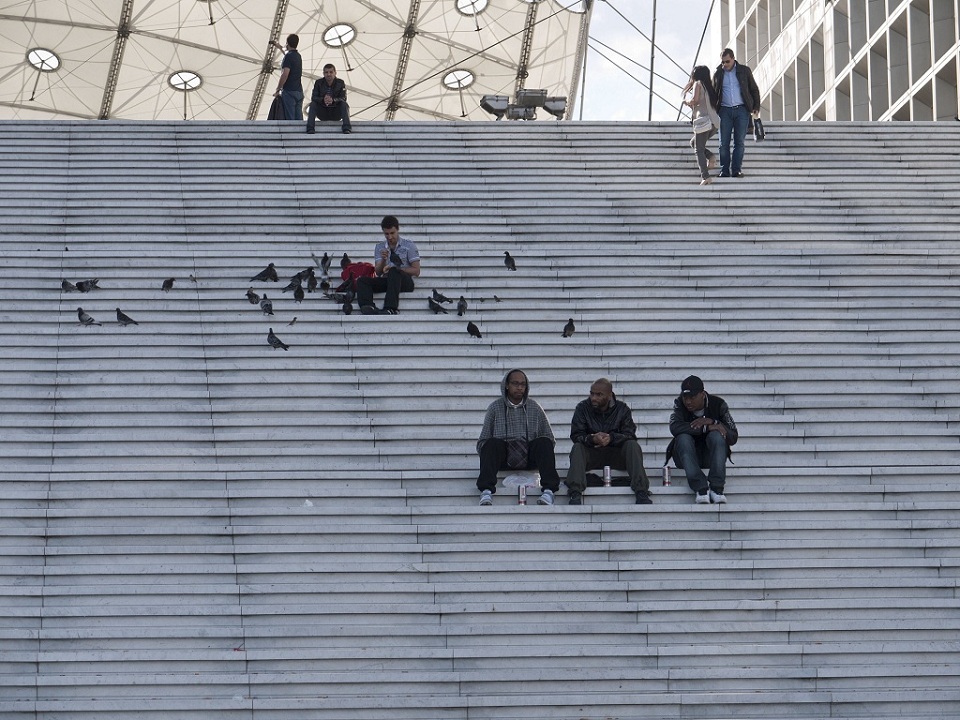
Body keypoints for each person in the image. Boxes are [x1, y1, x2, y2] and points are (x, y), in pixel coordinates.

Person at [476, 369, 561, 507]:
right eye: (515, 383)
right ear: (507, 385)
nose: (519, 387)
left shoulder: (535, 407)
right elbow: (482, 442)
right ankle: (486, 491)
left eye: (523, 384)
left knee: (544, 441)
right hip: (503, 457)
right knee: (490, 443)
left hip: (528, 456)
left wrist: (526, 449)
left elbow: (550, 439)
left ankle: (549, 491)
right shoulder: (494, 408)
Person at [567, 378, 652, 506]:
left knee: (632, 445)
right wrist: (592, 438)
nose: (594, 398)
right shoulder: (582, 408)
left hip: (616, 454)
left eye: (599, 394)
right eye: (592, 393)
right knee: (577, 448)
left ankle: (641, 490)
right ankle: (575, 492)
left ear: (609, 395)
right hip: (593, 453)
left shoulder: (622, 409)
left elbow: (630, 435)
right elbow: (576, 435)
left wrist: (611, 438)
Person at [666, 375, 738, 504]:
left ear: (702, 394)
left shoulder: (718, 404)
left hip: (711, 457)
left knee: (717, 435)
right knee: (682, 438)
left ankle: (717, 488)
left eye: (692, 397)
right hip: (686, 457)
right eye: (685, 397)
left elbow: (733, 436)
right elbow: (675, 427)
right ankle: (701, 488)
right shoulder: (679, 404)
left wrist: (714, 422)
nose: (688, 402)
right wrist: (706, 428)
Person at [712, 48, 761, 179]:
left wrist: (756, 106)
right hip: (724, 110)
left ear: (733, 59)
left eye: (727, 62)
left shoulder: (744, 71)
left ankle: (736, 170)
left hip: (742, 110)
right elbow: (713, 94)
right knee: (724, 143)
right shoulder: (718, 74)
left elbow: (754, 89)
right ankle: (724, 170)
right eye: (722, 62)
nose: (725, 65)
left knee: (739, 142)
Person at [357, 216, 420, 315]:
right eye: (386, 234)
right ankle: (368, 307)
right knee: (362, 281)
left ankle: (390, 308)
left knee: (394, 271)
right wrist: (383, 260)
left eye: (392, 233)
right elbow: (378, 272)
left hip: (404, 281)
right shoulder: (379, 247)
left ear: (397, 229)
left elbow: (416, 271)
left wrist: (397, 269)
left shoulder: (409, 245)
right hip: (388, 280)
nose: (390, 237)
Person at [683, 66, 721, 186]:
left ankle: (706, 176)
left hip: (703, 122)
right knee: (694, 142)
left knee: (698, 149)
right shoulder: (708, 86)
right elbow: (701, 104)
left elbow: (694, 100)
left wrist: (687, 101)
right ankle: (711, 157)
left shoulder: (698, 84)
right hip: (714, 123)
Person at [306, 63, 352, 134]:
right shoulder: (318, 83)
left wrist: (333, 100)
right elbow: (314, 97)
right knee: (313, 104)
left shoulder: (340, 83)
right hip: (323, 111)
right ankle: (310, 128)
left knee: (344, 104)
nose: (329, 74)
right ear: (323, 73)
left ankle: (347, 128)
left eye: (331, 72)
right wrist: (323, 99)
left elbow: (343, 98)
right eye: (326, 72)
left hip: (335, 111)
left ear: (335, 73)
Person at [273, 34, 304, 122]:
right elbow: (287, 53)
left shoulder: (288, 57)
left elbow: (285, 74)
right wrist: (279, 47)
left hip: (289, 91)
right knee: (299, 118)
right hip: (299, 91)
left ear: (287, 43)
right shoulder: (298, 56)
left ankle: (292, 135)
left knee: (290, 118)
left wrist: (278, 89)